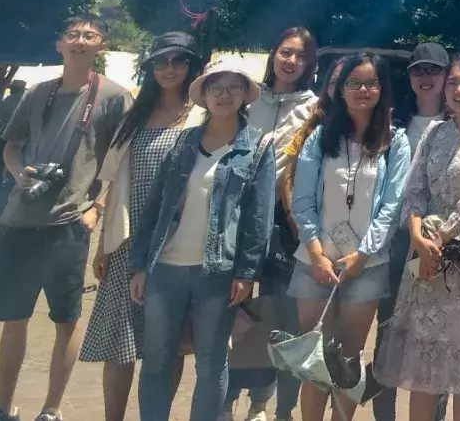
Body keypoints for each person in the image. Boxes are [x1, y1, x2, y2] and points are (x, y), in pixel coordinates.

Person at [0, 13, 133, 421]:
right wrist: (19, 175)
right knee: (14, 318)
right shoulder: (37, 92)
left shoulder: (115, 97)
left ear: (102, 46)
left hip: (69, 223)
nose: (79, 40)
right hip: (18, 220)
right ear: (59, 44)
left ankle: (52, 408)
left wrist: (95, 211)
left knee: (66, 319)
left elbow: (120, 163)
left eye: (89, 35)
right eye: (72, 34)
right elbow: (11, 148)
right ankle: (3, 405)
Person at [128, 54, 277, 421]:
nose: (224, 95)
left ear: (245, 94)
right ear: (205, 95)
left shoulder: (256, 148)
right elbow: (154, 208)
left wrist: (246, 273)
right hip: (165, 265)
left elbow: (259, 218)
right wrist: (139, 265)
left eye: (233, 87)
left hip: (218, 272)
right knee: (157, 359)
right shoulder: (183, 143)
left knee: (212, 363)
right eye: (216, 88)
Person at [373, 55, 460, 421]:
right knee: (423, 368)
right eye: (453, 83)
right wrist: (418, 237)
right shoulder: (435, 132)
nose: (459, 90)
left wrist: (440, 239)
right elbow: (414, 189)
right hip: (424, 255)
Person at [82, 33, 201, 421]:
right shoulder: (135, 114)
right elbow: (115, 181)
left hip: (177, 243)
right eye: (161, 61)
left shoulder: (202, 114)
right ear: (150, 68)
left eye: (178, 61)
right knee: (120, 341)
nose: (169, 68)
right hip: (127, 240)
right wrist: (103, 244)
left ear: (191, 66)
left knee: (169, 344)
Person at [290, 54, 411, 421]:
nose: (362, 90)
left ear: (382, 90)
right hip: (316, 262)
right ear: (340, 90)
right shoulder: (319, 136)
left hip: (367, 266)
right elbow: (302, 200)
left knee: (347, 359)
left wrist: (364, 253)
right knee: (315, 360)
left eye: (371, 83)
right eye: (353, 83)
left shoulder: (396, 141)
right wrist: (315, 251)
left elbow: (392, 206)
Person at [227, 26, 321, 421]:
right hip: (238, 216)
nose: (291, 61)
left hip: (285, 224)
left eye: (300, 56)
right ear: (273, 54)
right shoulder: (250, 100)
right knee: (237, 311)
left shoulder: (315, 107)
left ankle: (266, 406)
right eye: (285, 52)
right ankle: (226, 399)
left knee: (283, 317)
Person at [371, 41, 449, 421]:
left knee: (437, 333)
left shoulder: (458, 123)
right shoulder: (391, 124)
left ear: (447, 76)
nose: (426, 77)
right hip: (396, 238)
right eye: (419, 71)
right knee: (388, 330)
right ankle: (384, 414)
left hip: (442, 240)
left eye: (434, 71)